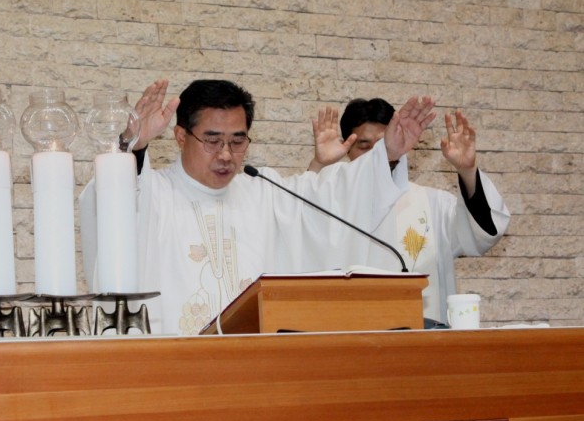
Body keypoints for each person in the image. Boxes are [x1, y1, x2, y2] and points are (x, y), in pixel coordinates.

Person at [80, 80, 437, 335]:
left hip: (258, 370)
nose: (226, 155)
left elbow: (332, 201)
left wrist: (387, 154)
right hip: (174, 374)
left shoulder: (263, 192)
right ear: (180, 137)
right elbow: (110, 205)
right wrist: (133, 145)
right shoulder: (151, 191)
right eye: (212, 140)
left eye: (238, 141)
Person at [307, 97, 510, 324]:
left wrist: (468, 171)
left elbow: (481, 235)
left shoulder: (433, 204)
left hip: (420, 337)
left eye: (383, 145)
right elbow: (301, 234)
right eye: (364, 146)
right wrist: (319, 166)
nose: (376, 155)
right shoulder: (334, 204)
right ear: (347, 149)